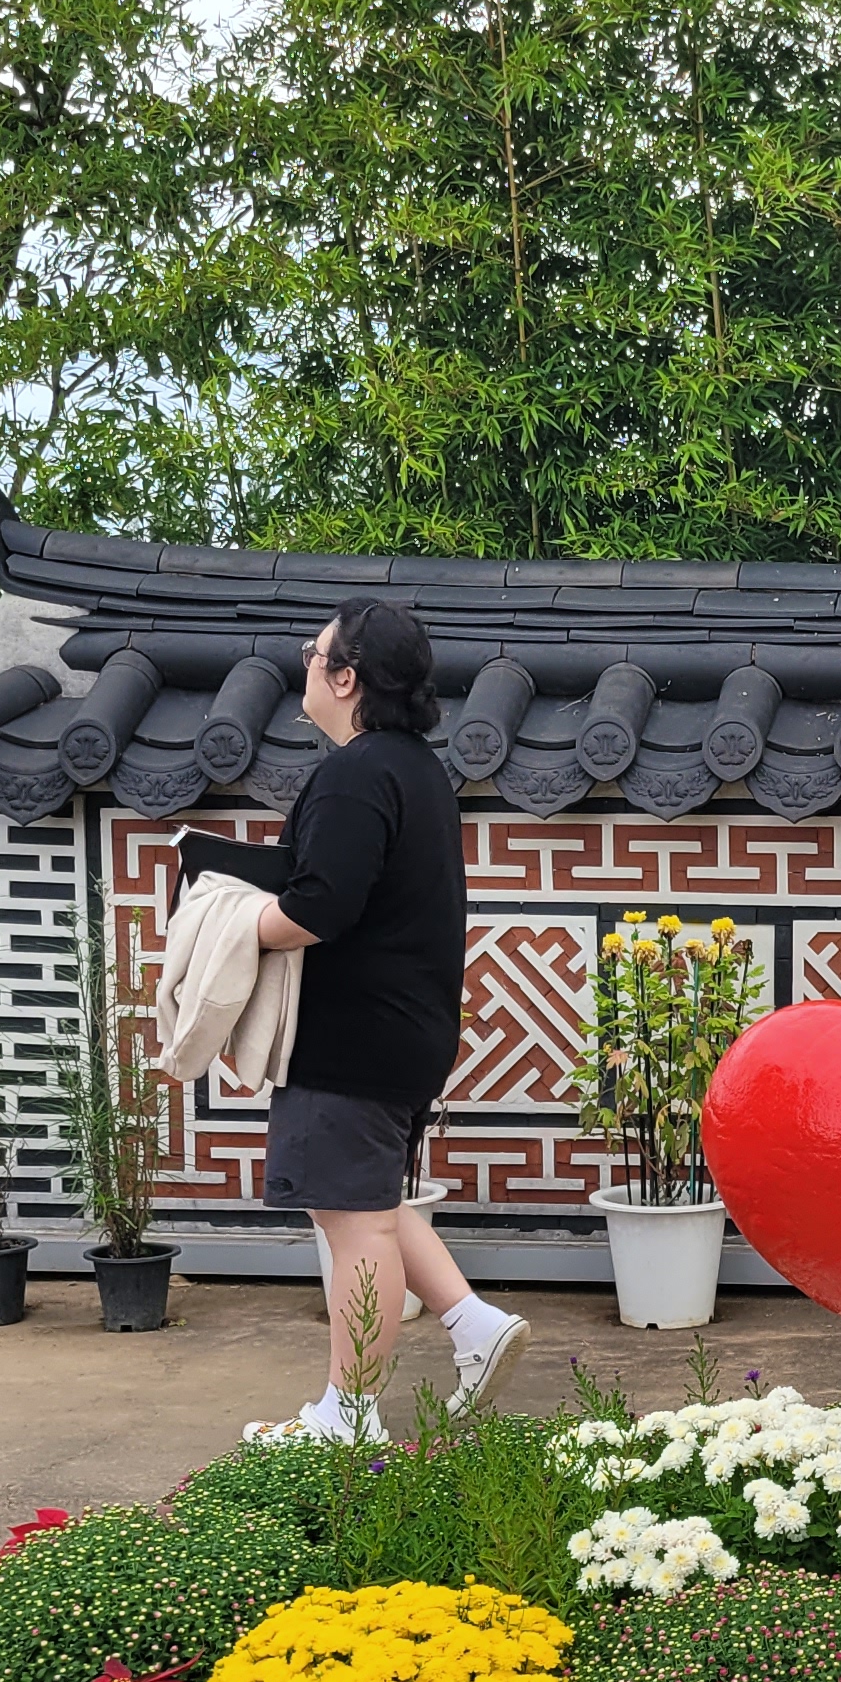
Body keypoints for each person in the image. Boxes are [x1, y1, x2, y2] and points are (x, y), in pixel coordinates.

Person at [248, 601, 524, 1440]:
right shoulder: (416, 771)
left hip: (350, 1037)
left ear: (346, 677)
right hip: (403, 1029)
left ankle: (351, 1411)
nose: (306, 664)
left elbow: (319, 908)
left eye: (315, 652)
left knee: (356, 1221)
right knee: (363, 1200)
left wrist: (229, 923)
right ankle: (472, 1322)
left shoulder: (356, 774)